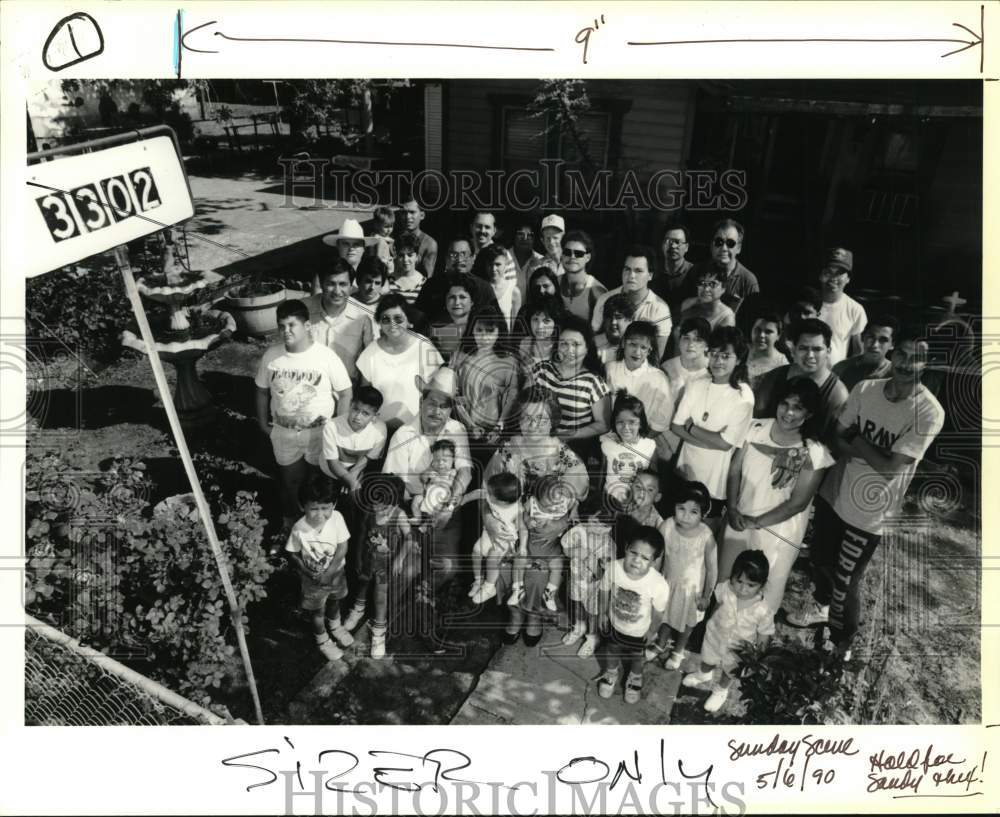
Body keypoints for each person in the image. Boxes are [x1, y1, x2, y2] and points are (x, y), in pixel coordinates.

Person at [788, 331, 944, 656]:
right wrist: (868, 450)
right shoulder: (865, 389)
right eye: (901, 353)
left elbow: (890, 469)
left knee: (847, 581)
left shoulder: (929, 412)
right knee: (819, 560)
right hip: (836, 492)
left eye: (916, 357)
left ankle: (842, 645)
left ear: (927, 363)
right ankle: (820, 607)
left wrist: (858, 442)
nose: (905, 363)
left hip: (870, 510)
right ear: (893, 353)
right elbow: (838, 437)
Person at [484, 388, 590, 645]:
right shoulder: (506, 452)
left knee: (539, 575)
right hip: (512, 527)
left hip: (546, 534)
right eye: (526, 418)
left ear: (553, 420)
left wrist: (558, 524)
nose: (533, 425)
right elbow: (487, 495)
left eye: (541, 418)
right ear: (517, 418)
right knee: (504, 568)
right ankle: (515, 615)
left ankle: (534, 617)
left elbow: (578, 498)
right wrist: (490, 522)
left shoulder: (563, 455)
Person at [722, 378, 834, 616]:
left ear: (810, 413)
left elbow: (798, 503)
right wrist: (732, 509)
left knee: (766, 590)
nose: (789, 412)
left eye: (799, 407)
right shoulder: (755, 428)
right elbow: (734, 470)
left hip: (778, 534)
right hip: (739, 519)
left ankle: (754, 645)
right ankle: (718, 634)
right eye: (785, 404)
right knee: (729, 580)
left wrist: (757, 522)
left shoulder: (814, 451)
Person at [382, 367, 474, 641]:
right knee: (404, 567)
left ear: (450, 410)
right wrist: (413, 512)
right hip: (411, 507)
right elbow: (393, 484)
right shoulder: (404, 434)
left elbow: (465, 471)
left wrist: (452, 500)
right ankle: (385, 616)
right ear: (421, 402)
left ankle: (424, 595)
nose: (437, 411)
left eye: (444, 406)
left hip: (446, 510)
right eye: (431, 403)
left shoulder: (457, 430)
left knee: (447, 567)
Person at [255, 299, 353, 532]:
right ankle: (291, 526)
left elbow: (346, 392)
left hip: (319, 433)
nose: (285, 331)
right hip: (285, 432)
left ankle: (322, 532)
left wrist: (338, 430)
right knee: (290, 483)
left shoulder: (326, 356)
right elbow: (260, 390)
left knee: (318, 484)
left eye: (291, 325)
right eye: (281, 326)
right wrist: (262, 423)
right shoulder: (272, 356)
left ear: (307, 326)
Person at [671, 326, 754, 539]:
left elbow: (726, 444)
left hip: (714, 483)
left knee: (703, 540)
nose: (718, 361)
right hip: (685, 472)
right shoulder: (697, 383)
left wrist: (693, 428)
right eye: (714, 354)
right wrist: (711, 440)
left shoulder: (743, 397)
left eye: (725, 355)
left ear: (739, 359)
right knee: (675, 535)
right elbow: (676, 426)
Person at [681, 550, 774, 713]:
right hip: (715, 637)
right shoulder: (725, 588)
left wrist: (758, 655)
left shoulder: (763, 610)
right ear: (732, 576)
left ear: (762, 585)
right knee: (708, 659)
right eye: (739, 581)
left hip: (738, 650)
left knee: (729, 672)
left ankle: (720, 691)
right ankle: (703, 674)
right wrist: (707, 616)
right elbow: (716, 606)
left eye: (751, 585)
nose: (743, 589)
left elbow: (764, 634)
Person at [341, 473, 415, 659]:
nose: (378, 508)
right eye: (375, 503)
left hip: (385, 565)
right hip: (367, 560)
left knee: (380, 596)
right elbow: (360, 536)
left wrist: (399, 559)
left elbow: (409, 538)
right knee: (362, 585)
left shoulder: (399, 516)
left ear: (394, 503)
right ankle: (358, 609)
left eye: (383, 506)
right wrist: (357, 558)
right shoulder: (368, 512)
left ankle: (379, 631)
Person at [595, 526, 671, 705]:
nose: (637, 561)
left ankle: (635, 678)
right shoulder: (614, 567)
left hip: (639, 631)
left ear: (655, 560)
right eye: (633, 552)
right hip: (614, 623)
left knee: (637, 656)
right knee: (612, 649)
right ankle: (611, 672)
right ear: (626, 547)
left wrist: (652, 631)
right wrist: (602, 613)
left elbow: (659, 611)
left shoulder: (658, 584)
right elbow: (604, 589)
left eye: (645, 558)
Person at [646, 480, 718, 670]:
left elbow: (712, 569)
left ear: (703, 514)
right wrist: (652, 579)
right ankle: (660, 643)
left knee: (687, 624)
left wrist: (706, 596)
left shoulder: (706, 537)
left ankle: (678, 650)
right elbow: (658, 555)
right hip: (668, 584)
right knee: (665, 617)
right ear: (674, 507)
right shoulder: (667, 526)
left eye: (693, 512)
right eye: (681, 509)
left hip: (692, 592)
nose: (685, 516)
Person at [285, 477, 353, 661]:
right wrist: (308, 573)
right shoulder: (299, 529)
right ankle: (322, 640)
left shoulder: (337, 518)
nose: (320, 514)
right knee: (317, 611)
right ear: (302, 506)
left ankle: (335, 626)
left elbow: (342, 546)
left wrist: (330, 571)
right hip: (313, 580)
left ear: (334, 505)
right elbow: (293, 554)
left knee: (335, 601)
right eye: (314, 508)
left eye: (325, 508)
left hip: (336, 574)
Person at [754, 318, 850, 446]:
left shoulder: (837, 394)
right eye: (803, 348)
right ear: (793, 350)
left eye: (817, 349)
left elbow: (833, 443)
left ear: (828, 351)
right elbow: (756, 423)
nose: (810, 355)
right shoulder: (774, 378)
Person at [356, 294, 444, 434]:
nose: (392, 324)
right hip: (378, 431)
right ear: (379, 322)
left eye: (398, 318)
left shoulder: (424, 346)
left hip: (417, 429)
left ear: (409, 321)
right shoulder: (370, 352)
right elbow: (365, 396)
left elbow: (438, 393)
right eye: (386, 319)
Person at [531, 314, 612, 449]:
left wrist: (569, 435)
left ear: (587, 348)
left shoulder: (593, 383)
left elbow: (603, 425)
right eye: (564, 344)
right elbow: (524, 406)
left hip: (571, 448)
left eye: (576, 344)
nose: (569, 351)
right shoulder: (541, 370)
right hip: (535, 442)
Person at [452, 306, 523, 447]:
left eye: (490, 331)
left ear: (499, 332)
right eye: (479, 330)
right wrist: (470, 425)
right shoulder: (460, 356)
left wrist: (499, 427)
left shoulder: (509, 361)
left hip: (496, 433)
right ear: (472, 330)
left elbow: (512, 397)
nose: (484, 337)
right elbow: (454, 394)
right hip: (464, 429)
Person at [560, 497, 620, 656]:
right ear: (586, 519)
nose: (599, 529)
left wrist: (603, 566)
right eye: (595, 523)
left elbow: (609, 569)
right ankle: (579, 627)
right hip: (576, 580)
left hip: (595, 586)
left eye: (605, 526)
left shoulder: (609, 545)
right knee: (577, 604)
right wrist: (576, 552)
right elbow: (565, 548)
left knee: (593, 612)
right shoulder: (578, 532)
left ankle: (592, 637)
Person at [606, 321, 675, 460]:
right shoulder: (610, 369)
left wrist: (637, 441)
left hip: (642, 445)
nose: (637, 352)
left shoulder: (658, 378)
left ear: (649, 350)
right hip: (610, 440)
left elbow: (662, 420)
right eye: (633, 344)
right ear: (624, 343)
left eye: (643, 347)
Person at [591, 246, 673, 360]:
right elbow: (593, 341)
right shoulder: (605, 299)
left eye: (638, 271)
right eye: (627, 269)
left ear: (650, 275)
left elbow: (657, 356)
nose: (631, 276)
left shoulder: (660, 308)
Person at [509, 474, 573, 613]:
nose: (553, 509)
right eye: (547, 506)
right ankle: (517, 589)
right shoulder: (531, 503)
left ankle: (549, 593)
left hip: (551, 546)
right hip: (531, 543)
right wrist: (527, 520)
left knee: (557, 565)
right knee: (519, 561)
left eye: (556, 503)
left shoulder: (563, 503)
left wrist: (555, 523)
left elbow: (568, 517)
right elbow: (521, 513)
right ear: (536, 499)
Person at [304, 259, 375, 381]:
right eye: (331, 284)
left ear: (351, 286)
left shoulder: (365, 316)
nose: (337, 291)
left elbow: (371, 359)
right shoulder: (302, 310)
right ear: (321, 284)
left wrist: (363, 394)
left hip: (349, 390)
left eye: (343, 284)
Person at [468, 472, 525, 604]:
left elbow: (522, 528)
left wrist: (521, 546)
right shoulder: (492, 495)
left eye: (490, 494)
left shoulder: (517, 509)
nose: (487, 495)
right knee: (476, 551)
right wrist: (461, 500)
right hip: (488, 533)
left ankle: (489, 587)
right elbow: (477, 493)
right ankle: (478, 580)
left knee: (493, 557)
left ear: (503, 501)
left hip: (504, 539)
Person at [320, 385, 387, 492]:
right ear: (350, 404)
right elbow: (333, 463)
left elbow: (368, 458)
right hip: (329, 474)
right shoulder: (331, 426)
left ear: (375, 416)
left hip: (356, 472)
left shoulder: (380, 431)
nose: (357, 416)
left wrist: (353, 474)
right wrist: (350, 480)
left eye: (365, 413)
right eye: (355, 409)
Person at [413, 236, 497, 320]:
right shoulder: (431, 286)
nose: (459, 259)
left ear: (473, 258)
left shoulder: (484, 289)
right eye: (453, 254)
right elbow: (418, 324)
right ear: (446, 258)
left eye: (464, 254)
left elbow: (496, 325)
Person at [689, 218, 760, 315]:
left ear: (738, 248)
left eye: (730, 243)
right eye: (719, 242)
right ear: (711, 245)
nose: (724, 248)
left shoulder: (748, 281)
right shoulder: (696, 271)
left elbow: (752, 319)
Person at [599, 392, 657, 508]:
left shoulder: (649, 446)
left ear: (641, 423)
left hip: (636, 504)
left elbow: (654, 481)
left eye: (632, 422)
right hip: (610, 500)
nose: (626, 428)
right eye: (620, 422)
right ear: (614, 423)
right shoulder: (607, 443)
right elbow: (601, 474)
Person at [817, 247, 867, 366]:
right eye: (829, 272)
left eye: (839, 273)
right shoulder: (806, 305)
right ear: (820, 275)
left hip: (834, 377)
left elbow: (858, 351)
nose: (833, 278)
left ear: (848, 279)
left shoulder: (855, 309)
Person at [832, 315, 898, 391]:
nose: (875, 345)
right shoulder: (841, 369)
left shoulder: (896, 375)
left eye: (883, 340)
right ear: (863, 337)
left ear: (892, 345)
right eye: (871, 337)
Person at [675, 267, 736, 345]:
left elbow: (719, 351)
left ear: (723, 288)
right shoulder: (688, 304)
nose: (706, 289)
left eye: (713, 284)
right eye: (702, 283)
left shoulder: (726, 317)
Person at [315, 217, 378, 293]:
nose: (351, 248)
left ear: (363, 248)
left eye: (356, 244)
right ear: (338, 246)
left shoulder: (374, 275)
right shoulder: (324, 276)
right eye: (346, 244)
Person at [558, 229, 607, 321]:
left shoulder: (596, 291)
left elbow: (599, 332)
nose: (572, 257)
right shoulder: (554, 283)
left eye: (578, 254)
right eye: (567, 252)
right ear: (562, 255)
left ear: (588, 258)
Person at [429, 276, 479, 364]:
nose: (457, 302)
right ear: (445, 301)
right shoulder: (435, 330)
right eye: (452, 297)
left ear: (472, 302)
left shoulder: (481, 328)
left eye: (462, 297)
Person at [472, 244, 521, 331]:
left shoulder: (514, 292)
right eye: (490, 264)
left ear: (505, 265)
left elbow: (514, 327)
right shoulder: (479, 289)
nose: (494, 269)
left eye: (498, 264)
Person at [651, 224, 695, 318]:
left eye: (677, 242)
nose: (673, 246)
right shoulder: (652, 272)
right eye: (668, 241)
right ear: (662, 245)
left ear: (686, 247)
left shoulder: (695, 273)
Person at [411, 439, 458, 521]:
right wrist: (427, 475)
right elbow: (422, 478)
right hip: (426, 498)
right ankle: (417, 518)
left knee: (439, 510)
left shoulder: (452, 472)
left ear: (453, 460)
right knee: (416, 499)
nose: (440, 463)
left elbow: (451, 484)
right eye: (437, 460)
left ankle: (427, 525)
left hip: (440, 499)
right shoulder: (432, 469)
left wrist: (438, 480)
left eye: (445, 460)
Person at [515, 295, 562, 369]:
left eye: (546, 321)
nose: (540, 326)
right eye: (535, 319)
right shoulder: (525, 343)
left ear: (556, 324)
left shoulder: (561, 347)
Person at [777, 286, 823, 361]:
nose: (801, 316)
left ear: (817, 315)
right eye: (797, 311)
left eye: (807, 313)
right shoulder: (777, 335)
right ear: (790, 310)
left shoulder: (821, 340)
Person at [746, 310, 787, 389]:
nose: (761, 335)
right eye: (758, 330)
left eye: (768, 332)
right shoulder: (741, 349)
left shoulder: (782, 365)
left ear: (778, 336)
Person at [399, 196, 438, 277]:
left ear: (422, 215)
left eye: (412, 212)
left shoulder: (429, 243)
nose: (407, 217)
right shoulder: (394, 238)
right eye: (404, 212)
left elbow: (427, 278)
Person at [524, 213, 566, 286]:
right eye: (548, 238)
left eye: (555, 237)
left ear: (563, 238)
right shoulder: (535, 267)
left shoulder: (573, 262)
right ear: (542, 240)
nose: (551, 242)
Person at [594, 293, 635, 365]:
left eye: (618, 317)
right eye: (609, 317)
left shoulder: (637, 349)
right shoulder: (593, 343)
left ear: (630, 320)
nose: (613, 322)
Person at [389, 232, 427, 307]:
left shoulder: (424, 283)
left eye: (410, 255)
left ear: (417, 257)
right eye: (401, 255)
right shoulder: (387, 281)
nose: (405, 259)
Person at [510, 220, 542, 295]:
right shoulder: (502, 257)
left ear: (535, 239)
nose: (525, 238)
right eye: (520, 234)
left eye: (530, 235)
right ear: (514, 236)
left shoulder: (541, 261)